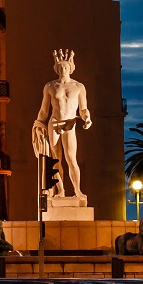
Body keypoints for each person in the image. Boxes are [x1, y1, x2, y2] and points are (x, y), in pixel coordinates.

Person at [32, 48, 93, 201]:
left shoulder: (79, 87)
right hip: (54, 123)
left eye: (65, 67)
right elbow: (44, 110)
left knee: (71, 158)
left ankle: (77, 190)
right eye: (60, 67)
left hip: (70, 124)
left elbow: (84, 108)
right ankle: (61, 190)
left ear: (71, 68)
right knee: (55, 159)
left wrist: (87, 119)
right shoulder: (50, 86)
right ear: (57, 69)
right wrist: (38, 124)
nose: (63, 69)